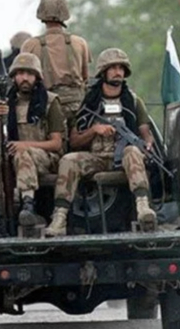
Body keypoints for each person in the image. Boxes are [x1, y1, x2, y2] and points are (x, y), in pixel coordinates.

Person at [44, 48, 157, 237]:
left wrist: (147, 145)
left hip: (124, 159)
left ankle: (143, 208)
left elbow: (146, 133)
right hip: (96, 158)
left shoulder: (133, 101)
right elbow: (75, 140)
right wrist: (94, 130)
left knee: (133, 152)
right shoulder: (89, 102)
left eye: (121, 68)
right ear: (103, 72)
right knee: (69, 160)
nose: (118, 72)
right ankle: (59, 218)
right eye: (112, 68)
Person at [0, 52, 66, 238]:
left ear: (37, 77)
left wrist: (24, 145)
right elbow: (1, 142)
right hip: (15, 156)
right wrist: (0, 118)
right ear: (13, 77)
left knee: (21, 153)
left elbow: (57, 144)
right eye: (20, 73)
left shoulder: (50, 102)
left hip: (45, 158)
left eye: (29, 73)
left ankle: (28, 205)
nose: (24, 78)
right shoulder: (8, 102)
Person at [21, 0, 92, 132]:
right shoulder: (80, 43)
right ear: (65, 13)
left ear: (41, 13)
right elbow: (85, 78)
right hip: (77, 108)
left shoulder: (29, 45)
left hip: (44, 107)